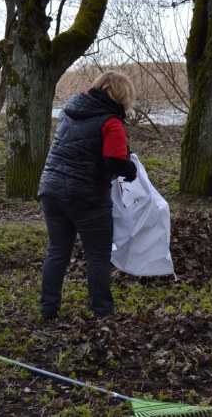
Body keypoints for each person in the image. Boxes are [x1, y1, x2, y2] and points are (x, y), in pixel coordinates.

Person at [37, 71, 138, 319]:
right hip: (86, 197)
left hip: (51, 190)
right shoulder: (111, 121)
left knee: (58, 250)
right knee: (98, 255)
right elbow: (114, 162)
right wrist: (131, 169)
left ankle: (48, 310)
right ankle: (102, 312)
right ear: (123, 95)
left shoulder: (69, 111)